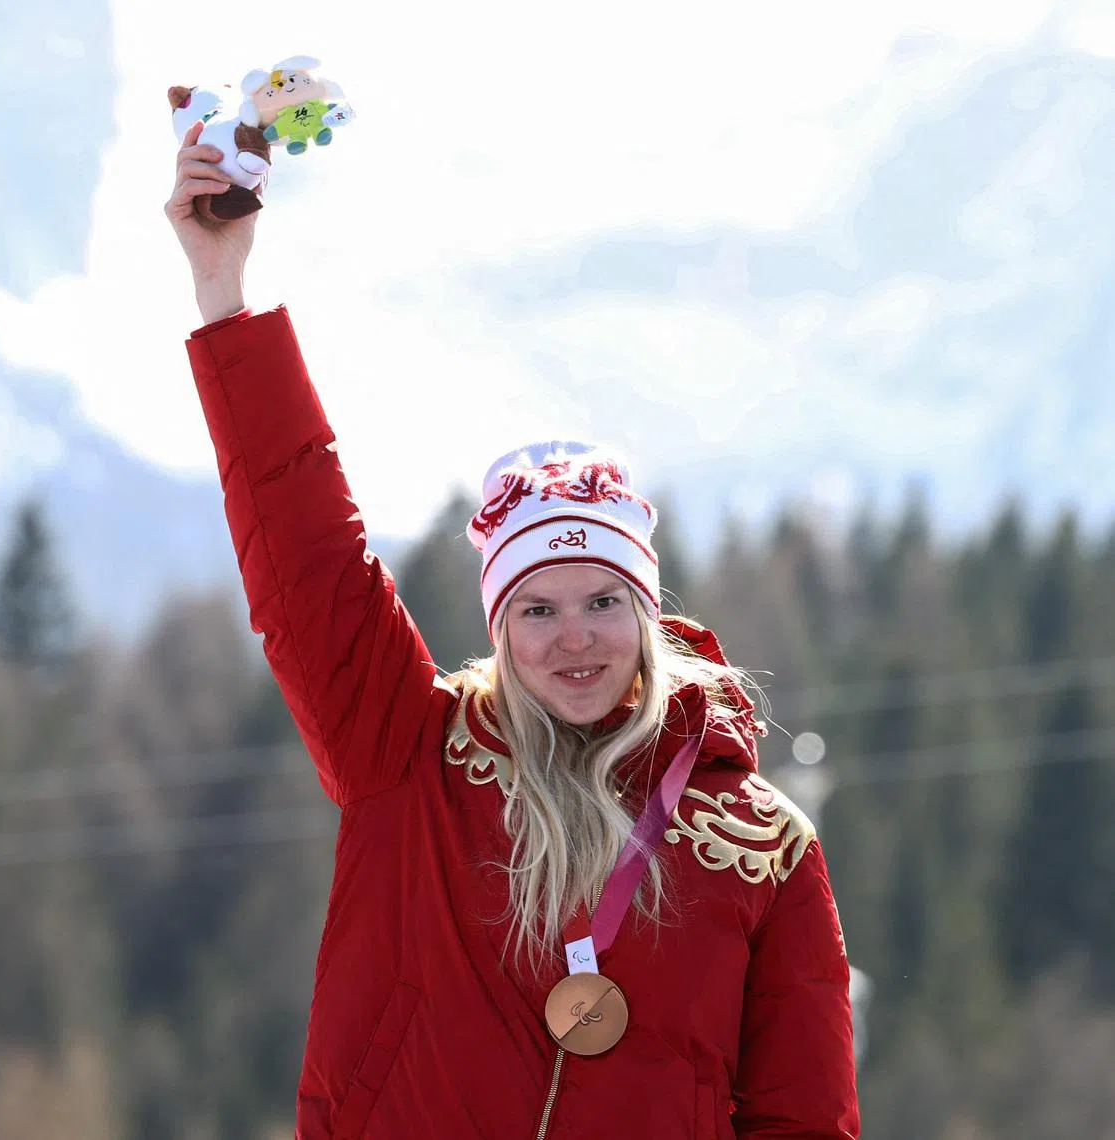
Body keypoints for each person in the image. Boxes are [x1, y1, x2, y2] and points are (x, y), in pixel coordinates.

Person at [166, 120, 861, 1139]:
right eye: (536, 609)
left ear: (648, 612)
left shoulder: (759, 846)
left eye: (604, 603)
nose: (574, 638)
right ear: (497, 623)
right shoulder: (408, 749)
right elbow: (308, 559)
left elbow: (806, 1119)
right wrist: (224, 294)